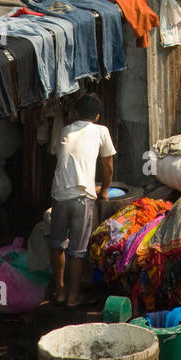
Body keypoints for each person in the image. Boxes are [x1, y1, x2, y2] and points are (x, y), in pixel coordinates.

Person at [50, 93, 115, 308]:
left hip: (59, 192)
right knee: (77, 250)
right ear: (97, 116)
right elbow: (108, 166)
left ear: (76, 113)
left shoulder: (66, 130)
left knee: (58, 244)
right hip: (81, 197)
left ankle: (59, 292)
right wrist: (105, 189)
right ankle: (73, 297)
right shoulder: (101, 131)